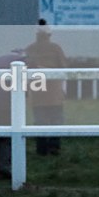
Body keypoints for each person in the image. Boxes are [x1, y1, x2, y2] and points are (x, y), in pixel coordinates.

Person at [25, 20, 67, 156]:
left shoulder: (30, 49)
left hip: (37, 92)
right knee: (56, 119)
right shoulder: (56, 48)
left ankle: (41, 148)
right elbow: (64, 67)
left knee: (40, 120)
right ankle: (54, 147)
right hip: (54, 92)